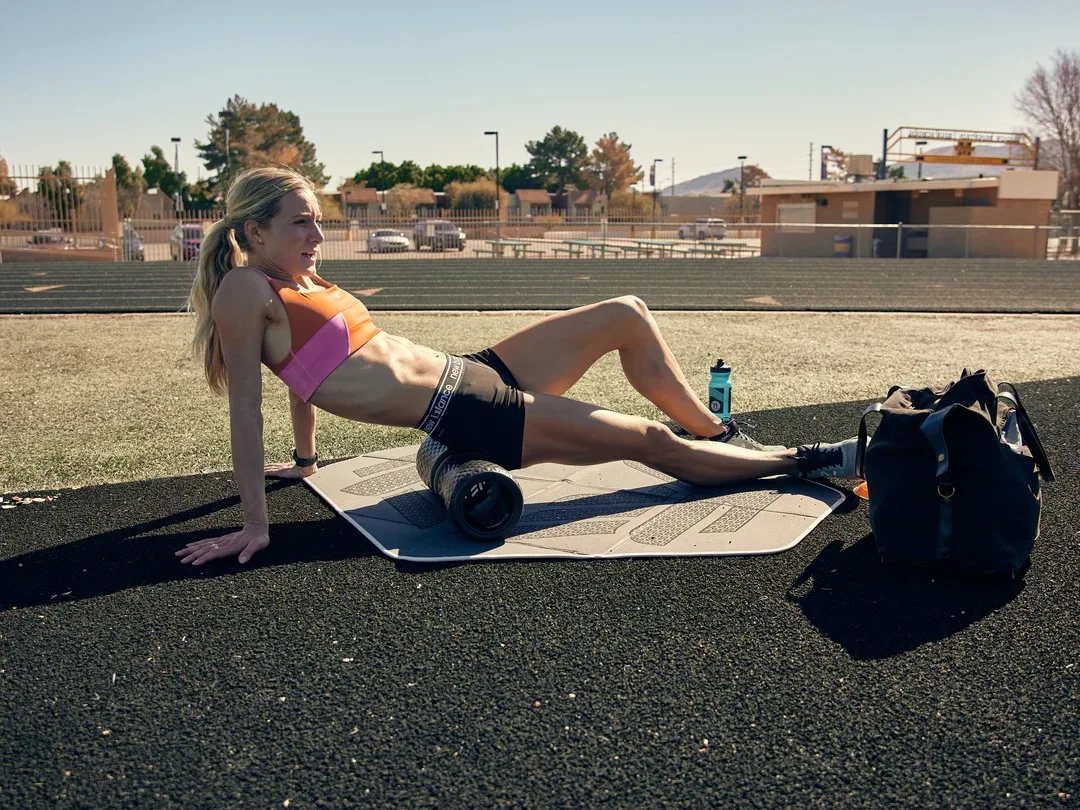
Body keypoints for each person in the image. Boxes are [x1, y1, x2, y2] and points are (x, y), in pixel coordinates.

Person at [177, 167, 857, 567]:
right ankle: (807, 459)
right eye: (301, 223)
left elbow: (302, 375)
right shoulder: (246, 289)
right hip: (467, 413)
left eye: (317, 220)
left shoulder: (300, 279)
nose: (318, 235)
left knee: (625, 311)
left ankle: (720, 435)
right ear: (255, 231)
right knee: (651, 442)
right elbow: (248, 407)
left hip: (473, 371)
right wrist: (257, 525)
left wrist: (306, 460)